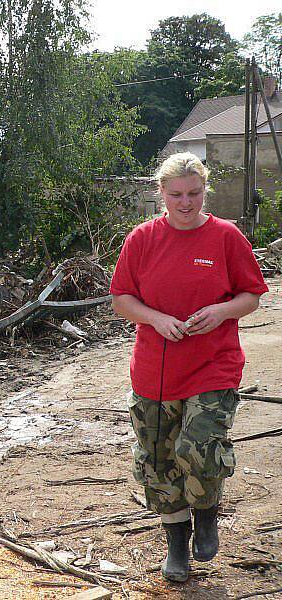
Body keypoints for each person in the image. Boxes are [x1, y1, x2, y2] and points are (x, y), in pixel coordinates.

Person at [109, 152, 268, 583]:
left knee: (198, 449)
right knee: (158, 460)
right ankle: (176, 544)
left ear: (205, 190)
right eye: (176, 194)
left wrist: (221, 312)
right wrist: (156, 318)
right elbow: (122, 298)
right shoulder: (140, 240)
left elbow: (251, 295)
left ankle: (207, 512)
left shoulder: (226, 237)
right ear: (160, 193)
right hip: (155, 370)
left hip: (213, 364)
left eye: (194, 193)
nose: (185, 203)